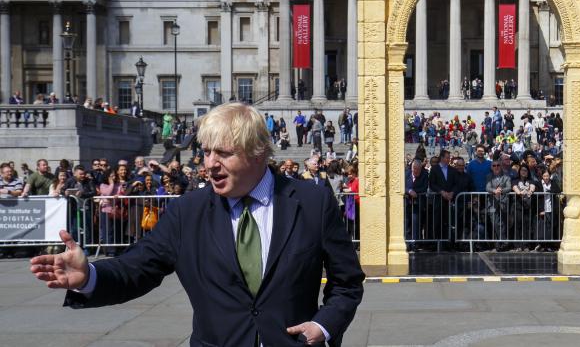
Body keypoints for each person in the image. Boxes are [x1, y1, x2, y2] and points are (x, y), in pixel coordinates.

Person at [30, 102, 364, 346]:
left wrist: (324, 326)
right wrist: (89, 277)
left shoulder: (312, 202)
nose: (210, 165)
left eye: (223, 153)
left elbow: (347, 283)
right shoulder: (186, 212)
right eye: (205, 153)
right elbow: (137, 268)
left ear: (259, 153)